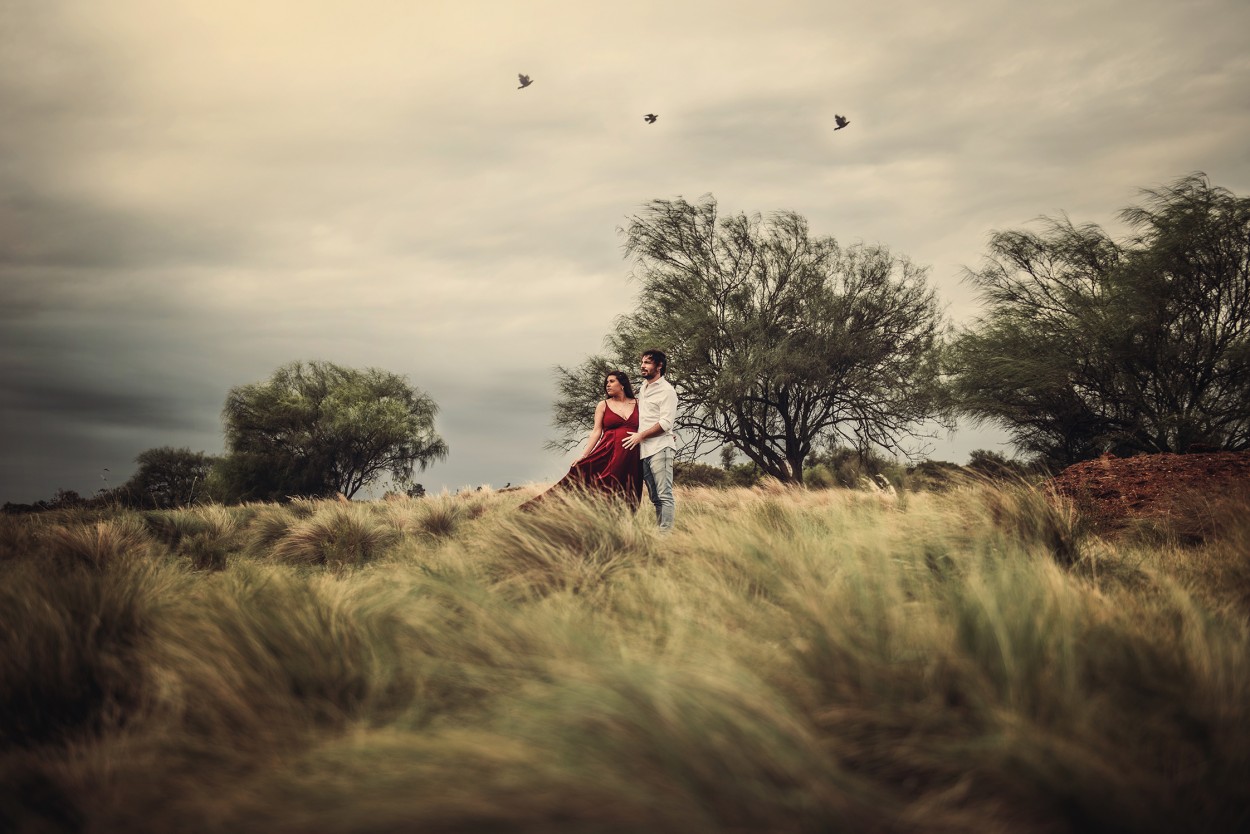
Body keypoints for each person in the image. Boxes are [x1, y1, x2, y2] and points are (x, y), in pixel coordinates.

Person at [521, 371, 642, 510]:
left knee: (629, 490)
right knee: (604, 485)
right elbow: (596, 431)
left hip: (633, 455)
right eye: (606, 382)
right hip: (608, 452)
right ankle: (543, 509)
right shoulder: (603, 405)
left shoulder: (638, 403)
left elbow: (648, 425)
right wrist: (584, 455)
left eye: (611, 381)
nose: (607, 385)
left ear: (622, 384)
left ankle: (625, 523)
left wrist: (666, 435)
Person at [623, 349, 677, 530]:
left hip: (660, 448)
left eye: (647, 362)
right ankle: (660, 532)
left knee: (664, 495)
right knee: (655, 497)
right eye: (642, 362)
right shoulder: (643, 389)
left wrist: (640, 436)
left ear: (659, 366)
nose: (642, 366)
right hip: (645, 450)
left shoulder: (667, 391)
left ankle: (665, 535)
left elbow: (665, 422)